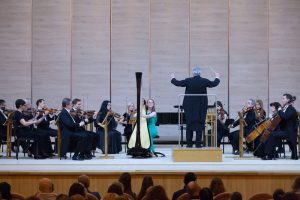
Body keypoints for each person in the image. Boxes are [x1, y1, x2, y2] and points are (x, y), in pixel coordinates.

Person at [171, 66, 220, 148]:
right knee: (200, 124)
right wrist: (217, 77)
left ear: (193, 73)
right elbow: (214, 84)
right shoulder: (204, 81)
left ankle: (189, 144)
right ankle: (198, 144)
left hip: (189, 106)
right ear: (200, 73)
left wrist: (173, 78)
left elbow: (178, 83)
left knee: (189, 124)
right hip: (201, 106)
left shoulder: (188, 80)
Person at [263, 94, 298, 160]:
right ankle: (272, 153)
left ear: (288, 100)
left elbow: (285, 117)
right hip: (285, 131)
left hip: (289, 132)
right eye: (282, 98)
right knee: (272, 133)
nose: (282, 100)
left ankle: (270, 155)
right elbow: (282, 119)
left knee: (272, 134)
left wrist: (279, 110)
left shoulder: (291, 109)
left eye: (283, 99)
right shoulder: (285, 109)